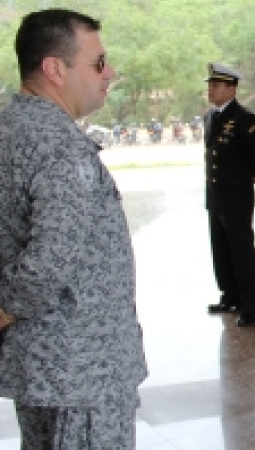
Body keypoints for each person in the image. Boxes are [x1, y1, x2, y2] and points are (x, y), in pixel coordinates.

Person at [0, 8, 148, 449]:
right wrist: (6, 307)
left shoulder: (12, 127)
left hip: (46, 364)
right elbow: (50, 260)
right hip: (82, 370)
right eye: (98, 62)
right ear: (54, 69)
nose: (110, 73)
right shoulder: (60, 147)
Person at [204, 62, 255, 327]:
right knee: (220, 248)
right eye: (210, 85)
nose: (211, 89)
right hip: (216, 194)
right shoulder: (211, 116)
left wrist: (245, 178)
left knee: (242, 250)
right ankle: (229, 295)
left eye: (216, 85)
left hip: (236, 195)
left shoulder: (245, 119)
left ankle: (253, 304)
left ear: (232, 88)